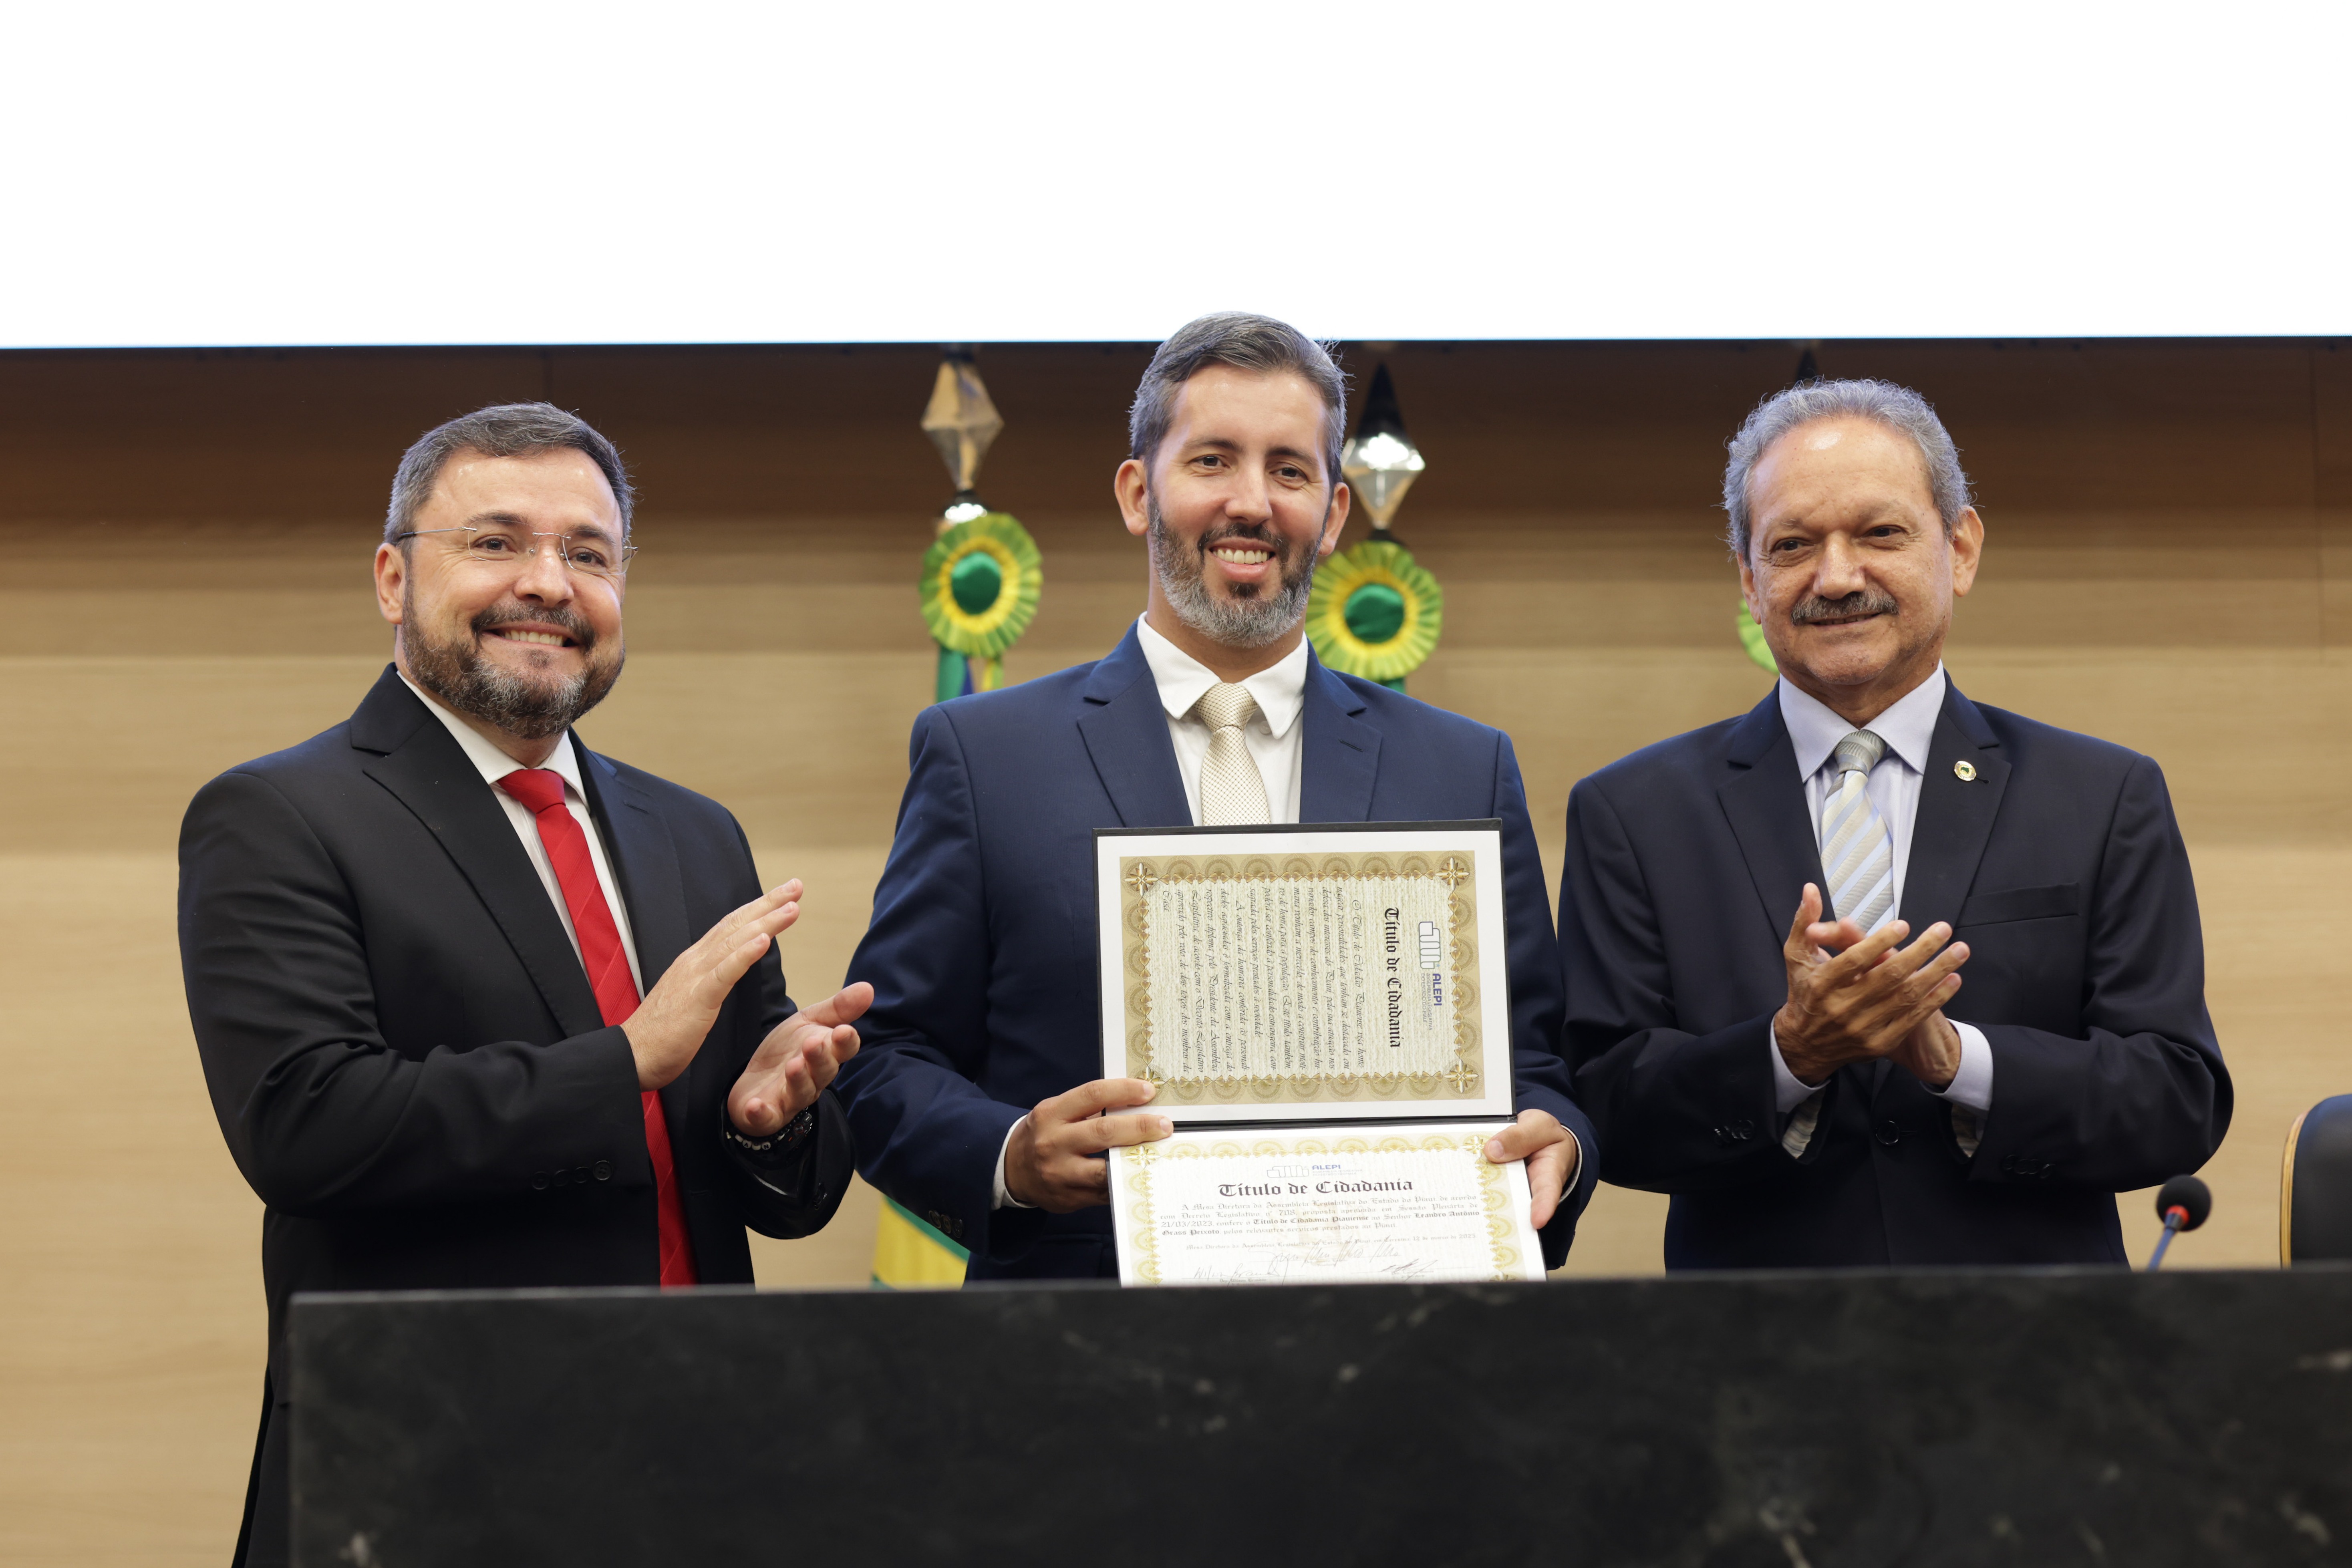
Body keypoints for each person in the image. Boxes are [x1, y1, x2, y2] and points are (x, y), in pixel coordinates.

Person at [180, 403, 870, 1566]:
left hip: (706, 1463)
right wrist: (627, 1063)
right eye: (497, 542)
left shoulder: (694, 834)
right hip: (428, 1473)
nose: (549, 583)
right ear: (395, 577)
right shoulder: (279, 817)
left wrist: (770, 1123)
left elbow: (786, 1197)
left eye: (588, 554)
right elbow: (306, 1127)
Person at [833, 313, 1596, 1279]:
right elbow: (886, 1057)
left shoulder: (1461, 768)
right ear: (1135, 493)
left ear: (1332, 513)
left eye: (1288, 469)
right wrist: (1010, 1153)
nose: (1252, 502)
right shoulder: (984, 757)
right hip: (1078, 1359)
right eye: (1211, 461)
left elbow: (1539, 1070)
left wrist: (1561, 1142)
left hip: (1390, 1354)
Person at [1559, 378, 2229, 1268]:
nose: (1835, 577)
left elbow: (2175, 1096)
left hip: (2039, 1357)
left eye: (1879, 534)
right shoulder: (1632, 813)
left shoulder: (2102, 795)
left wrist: (1960, 1060)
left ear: (1959, 549)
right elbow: (1604, 1107)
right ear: (1748, 579)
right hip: (1747, 1367)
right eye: (1791, 544)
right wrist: (1787, 1052)